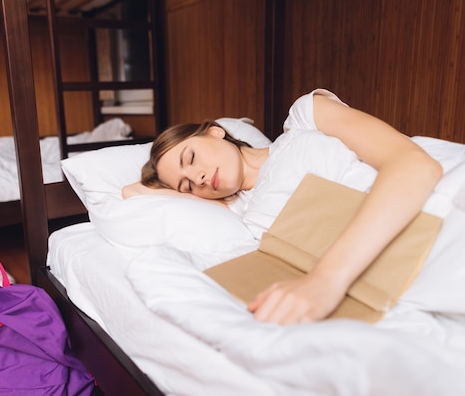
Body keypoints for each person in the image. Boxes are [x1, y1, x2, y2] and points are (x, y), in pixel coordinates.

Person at [122, 88, 445, 325]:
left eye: (191, 158)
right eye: (187, 185)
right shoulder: (242, 215)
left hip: (433, 204)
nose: (199, 177)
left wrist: (325, 281)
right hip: (394, 272)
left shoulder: (306, 118)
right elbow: (130, 193)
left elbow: (415, 165)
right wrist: (163, 186)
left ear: (215, 131)